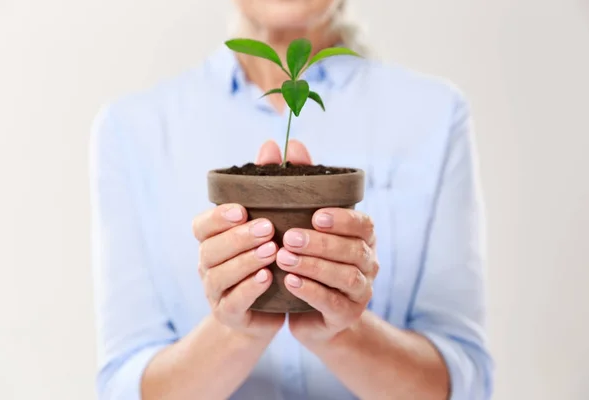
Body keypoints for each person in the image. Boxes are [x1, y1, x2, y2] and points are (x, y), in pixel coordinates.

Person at [89, 0, 493, 399]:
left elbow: (466, 384)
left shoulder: (433, 114)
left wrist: (342, 329)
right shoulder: (133, 130)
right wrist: (237, 328)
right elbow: (123, 388)